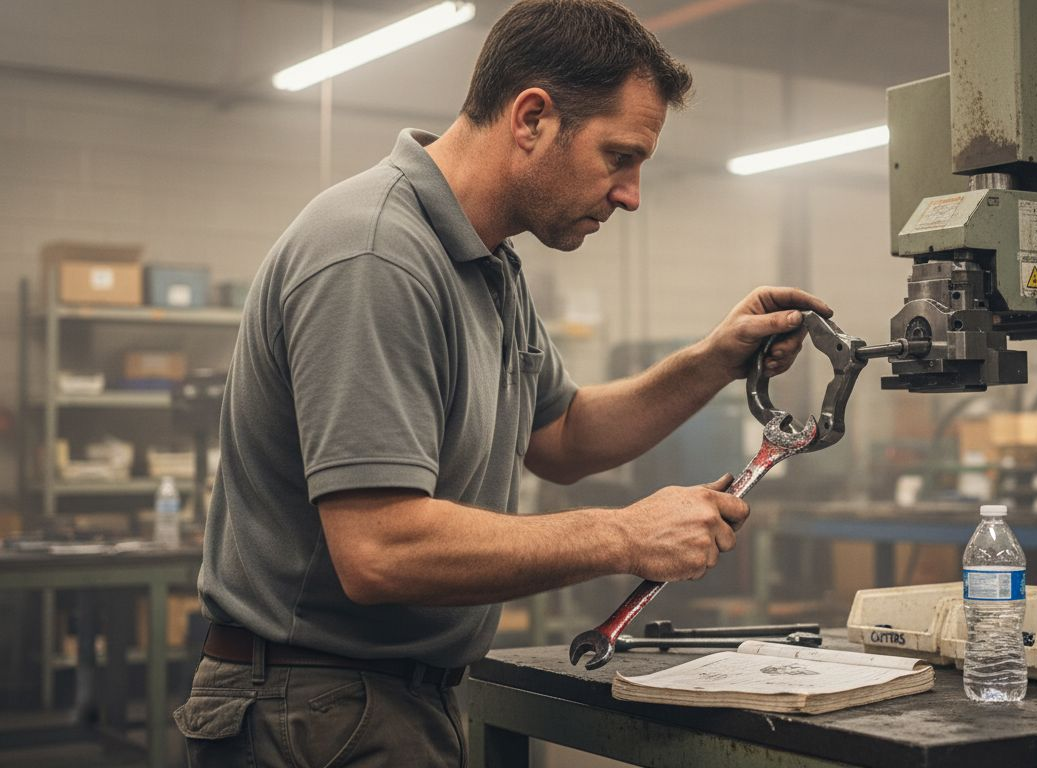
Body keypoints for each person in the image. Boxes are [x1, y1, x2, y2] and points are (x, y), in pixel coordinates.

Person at [174, 0, 831, 765]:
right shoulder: (376, 254)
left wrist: (713, 359)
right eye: (619, 156)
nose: (632, 195)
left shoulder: (487, 266)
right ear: (531, 119)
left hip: (387, 696)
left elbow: (563, 437)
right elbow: (379, 548)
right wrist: (624, 533)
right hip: (311, 709)